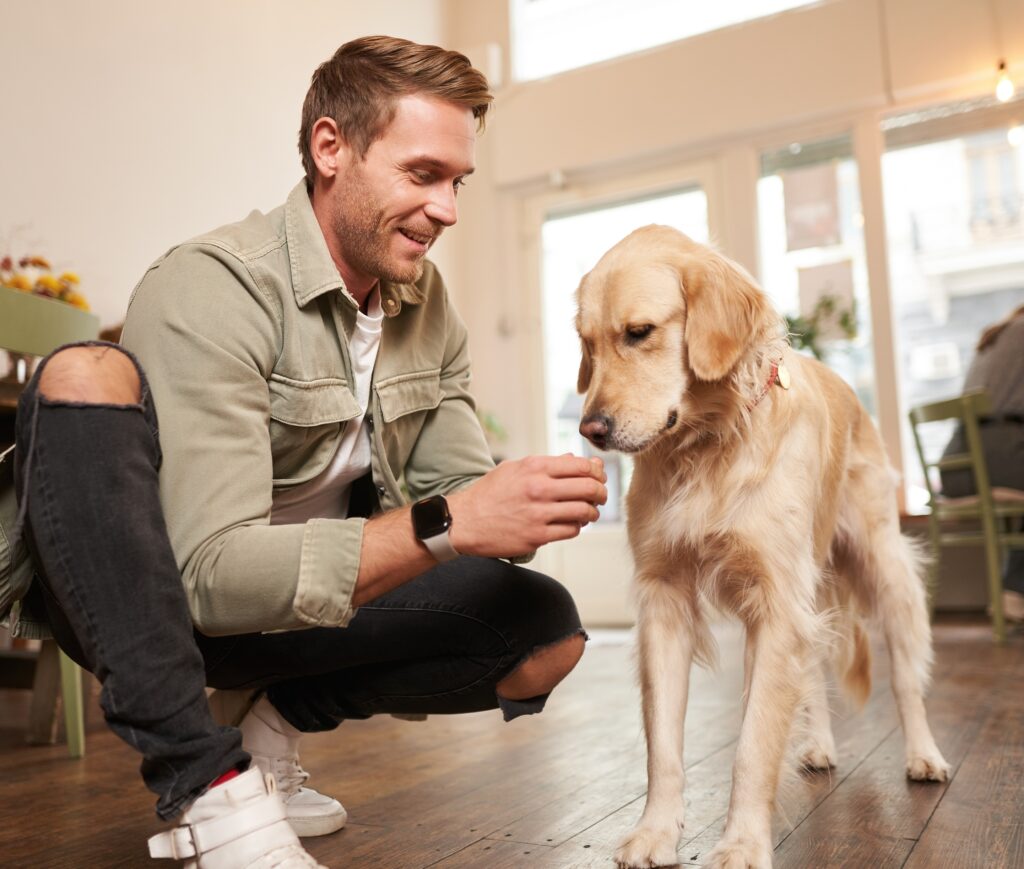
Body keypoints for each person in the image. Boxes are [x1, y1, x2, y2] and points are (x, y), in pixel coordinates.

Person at [0, 35, 606, 868]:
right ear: (331, 148)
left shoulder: (423, 303)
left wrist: (518, 504)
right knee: (80, 369)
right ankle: (208, 791)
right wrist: (451, 518)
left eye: (456, 181)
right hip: (165, 609)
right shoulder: (213, 285)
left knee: (546, 631)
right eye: (422, 174)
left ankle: (271, 732)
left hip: (311, 604)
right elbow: (206, 576)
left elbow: (460, 492)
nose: (449, 210)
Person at [940, 302, 1024, 621]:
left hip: (956, 466)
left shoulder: (992, 337)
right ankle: (1014, 591)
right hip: (996, 456)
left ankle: (1014, 592)